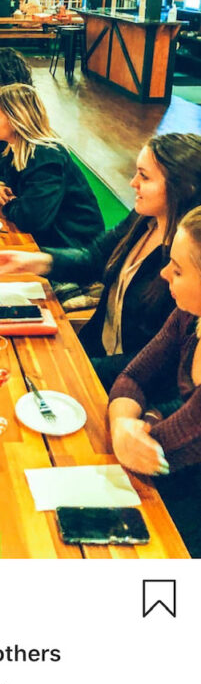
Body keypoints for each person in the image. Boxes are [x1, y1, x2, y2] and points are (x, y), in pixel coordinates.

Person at [0, 133, 201, 391]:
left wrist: (77, 367)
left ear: (184, 189)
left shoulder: (187, 261)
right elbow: (94, 258)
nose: (132, 183)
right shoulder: (144, 220)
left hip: (126, 383)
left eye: (145, 176)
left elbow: (159, 362)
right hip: (93, 351)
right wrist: (34, 261)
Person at [108, 205, 201, 556]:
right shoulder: (188, 316)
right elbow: (133, 375)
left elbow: (160, 451)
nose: (163, 274)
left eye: (177, 270)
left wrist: (134, 430)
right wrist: (122, 425)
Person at [0, 83, 104, 250]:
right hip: (49, 238)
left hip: (72, 249)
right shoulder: (18, 146)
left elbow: (30, 220)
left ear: (16, 119)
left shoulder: (46, 156)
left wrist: (9, 202)